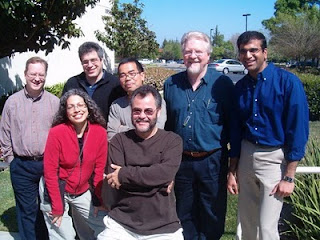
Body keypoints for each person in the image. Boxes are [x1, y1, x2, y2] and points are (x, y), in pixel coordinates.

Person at [227, 31, 309, 240]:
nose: (248, 55)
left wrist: (289, 176)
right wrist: (232, 170)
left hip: (273, 160)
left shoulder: (288, 83)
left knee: (266, 228)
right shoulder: (240, 88)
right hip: (246, 156)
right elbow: (236, 132)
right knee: (246, 225)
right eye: (243, 51)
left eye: (253, 50)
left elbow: (297, 130)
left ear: (265, 52)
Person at [164, 31, 235, 240]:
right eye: (188, 51)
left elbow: (233, 125)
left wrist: (233, 166)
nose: (193, 55)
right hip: (182, 160)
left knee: (212, 212)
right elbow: (168, 127)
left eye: (198, 51)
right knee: (184, 212)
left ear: (208, 56)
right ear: (182, 54)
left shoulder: (223, 84)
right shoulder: (171, 84)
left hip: (212, 160)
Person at [98, 85, 184, 240]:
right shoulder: (119, 141)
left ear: (158, 112)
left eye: (148, 111)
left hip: (163, 226)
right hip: (121, 223)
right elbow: (113, 179)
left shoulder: (172, 141)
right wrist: (156, 181)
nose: (142, 116)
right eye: (136, 110)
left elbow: (164, 174)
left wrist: (124, 174)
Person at [0, 56, 59, 240]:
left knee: (48, 208)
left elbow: (61, 135)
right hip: (22, 166)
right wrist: (11, 161)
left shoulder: (54, 102)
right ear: (25, 75)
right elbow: (5, 133)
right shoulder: (12, 102)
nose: (37, 78)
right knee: (26, 211)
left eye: (41, 74)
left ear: (45, 76)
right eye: (33, 74)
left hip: (47, 165)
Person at [40, 89, 108, 239]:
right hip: (56, 189)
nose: (76, 110)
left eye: (80, 105)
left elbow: (99, 170)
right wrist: (57, 206)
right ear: (65, 111)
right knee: (65, 235)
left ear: (88, 108)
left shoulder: (100, 133)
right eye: (71, 107)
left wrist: (99, 200)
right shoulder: (56, 133)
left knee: (104, 225)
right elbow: (50, 172)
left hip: (82, 190)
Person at [62, 41, 125, 122]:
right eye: (85, 62)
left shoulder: (115, 84)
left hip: (106, 132)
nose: (90, 65)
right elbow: (64, 111)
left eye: (93, 60)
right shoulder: (72, 84)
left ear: (101, 60)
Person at [107, 57, 167, 140]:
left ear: (142, 76)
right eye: (122, 75)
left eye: (132, 74)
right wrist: (141, 130)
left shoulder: (155, 100)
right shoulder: (117, 106)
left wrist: (121, 129)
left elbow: (155, 134)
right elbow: (111, 136)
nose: (127, 78)